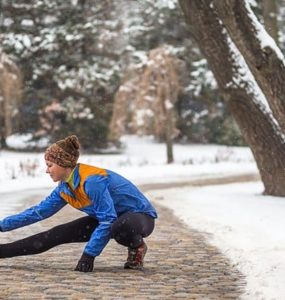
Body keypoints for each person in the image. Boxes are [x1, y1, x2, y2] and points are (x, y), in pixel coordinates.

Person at [0, 135, 157, 272]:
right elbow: (38, 212)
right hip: (111, 218)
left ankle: (137, 247)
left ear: (64, 164)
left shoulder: (92, 180)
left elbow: (108, 219)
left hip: (139, 218)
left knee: (120, 226)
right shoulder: (64, 188)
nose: (47, 171)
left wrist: (89, 255)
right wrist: (2, 226)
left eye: (50, 165)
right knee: (56, 234)